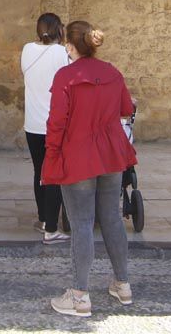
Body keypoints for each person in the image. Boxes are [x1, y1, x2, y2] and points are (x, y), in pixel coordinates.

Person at [42, 21, 136, 318]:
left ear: (70, 46)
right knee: (112, 218)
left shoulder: (66, 76)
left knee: (82, 222)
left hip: (79, 153)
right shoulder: (112, 71)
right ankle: (122, 284)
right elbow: (125, 108)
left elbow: (56, 122)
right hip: (110, 152)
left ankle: (80, 295)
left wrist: (52, 155)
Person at [21, 12, 70, 244]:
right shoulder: (61, 53)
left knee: (39, 171)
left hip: (32, 123)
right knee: (54, 174)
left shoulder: (27, 49)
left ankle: (43, 219)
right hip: (54, 123)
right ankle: (52, 228)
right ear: (59, 29)